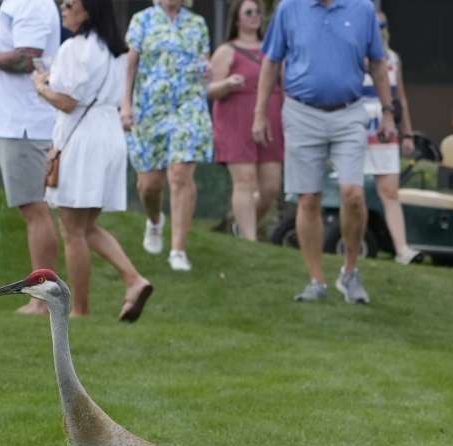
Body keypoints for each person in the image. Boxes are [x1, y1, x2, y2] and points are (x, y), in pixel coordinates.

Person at [253, 0, 398, 305]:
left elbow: (377, 63)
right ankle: (316, 280)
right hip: (301, 112)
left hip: (349, 113)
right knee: (309, 199)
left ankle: (349, 272)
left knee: (353, 194)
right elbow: (271, 62)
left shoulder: (362, 9)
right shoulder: (289, 8)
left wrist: (388, 113)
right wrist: (260, 113)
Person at [32, 0, 152, 321]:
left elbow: (68, 102)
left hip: (82, 140)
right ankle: (133, 280)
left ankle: (81, 310)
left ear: (89, 11)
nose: (63, 8)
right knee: (86, 226)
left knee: (72, 229)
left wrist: (40, 88)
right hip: (110, 135)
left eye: (70, 4)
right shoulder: (117, 51)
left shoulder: (74, 48)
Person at [0, 0, 61, 316]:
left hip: (25, 126)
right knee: (32, 209)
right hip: (16, 124)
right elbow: (22, 44)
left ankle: (42, 301)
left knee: (35, 209)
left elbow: (26, 59)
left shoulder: (32, 2)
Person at [122, 0, 213, 272]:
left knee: (180, 174)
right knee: (149, 185)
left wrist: (207, 70)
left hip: (189, 106)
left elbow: (204, 63)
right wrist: (125, 103)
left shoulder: (197, 23)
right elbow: (130, 65)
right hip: (150, 109)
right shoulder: (142, 20)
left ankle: (178, 250)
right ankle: (155, 221)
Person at [207, 0, 283, 242]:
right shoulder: (226, 51)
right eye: (248, 12)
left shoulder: (272, 49)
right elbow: (209, 89)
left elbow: (284, 84)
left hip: (270, 122)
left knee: (270, 187)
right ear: (237, 19)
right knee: (245, 180)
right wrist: (227, 84)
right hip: (235, 121)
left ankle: (241, 223)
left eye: (258, 12)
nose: (254, 16)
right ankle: (250, 242)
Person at [362, 11, 420, 265]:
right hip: (356, 127)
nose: (379, 31)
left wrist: (407, 132)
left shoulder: (393, 58)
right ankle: (354, 244)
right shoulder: (352, 54)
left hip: (386, 131)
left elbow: (401, 99)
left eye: (382, 26)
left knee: (390, 190)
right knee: (353, 192)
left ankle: (402, 249)